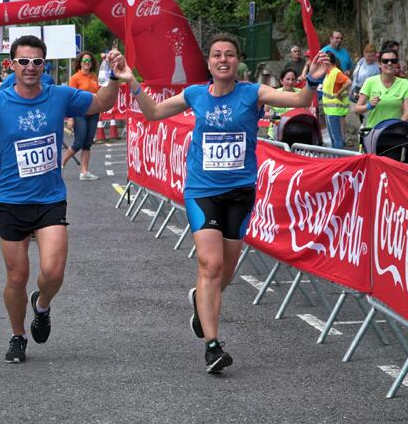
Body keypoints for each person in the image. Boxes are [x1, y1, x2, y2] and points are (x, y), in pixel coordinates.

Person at [120, 33, 328, 373]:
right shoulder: (195, 94)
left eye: (229, 55)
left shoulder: (253, 93)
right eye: (216, 55)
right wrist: (132, 82)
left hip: (240, 192)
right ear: (209, 62)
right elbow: (154, 113)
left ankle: (200, 302)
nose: (222, 60)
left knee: (224, 272)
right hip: (202, 191)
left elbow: (300, 98)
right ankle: (213, 346)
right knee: (211, 265)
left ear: (238, 61)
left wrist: (315, 80)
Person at [0, 35, 124, 363]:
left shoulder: (60, 95)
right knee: (17, 277)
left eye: (36, 62)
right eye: (23, 61)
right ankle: (17, 335)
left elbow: (101, 104)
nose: (30, 68)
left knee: (53, 272)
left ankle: (41, 305)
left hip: (50, 199)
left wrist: (111, 74)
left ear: (45, 65)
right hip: (11, 201)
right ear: (12, 64)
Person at [61, 51, 101, 180]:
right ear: (80, 63)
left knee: (87, 143)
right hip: (80, 114)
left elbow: (99, 94)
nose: (87, 63)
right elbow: (69, 99)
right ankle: (60, 164)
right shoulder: (75, 78)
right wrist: (70, 118)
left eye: (89, 61)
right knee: (79, 142)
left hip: (94, 114)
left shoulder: (95, 77)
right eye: (84, 61)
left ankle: (84, 172)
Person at [353, 48, 408, 129]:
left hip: (395, 132)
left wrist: (396, 126)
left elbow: (407, 112)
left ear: (396, 64)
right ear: (379, 64)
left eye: (393, 61)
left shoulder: (404, 83)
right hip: (374, 132)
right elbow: (357, 110)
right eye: (385, 61)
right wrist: (368, 105)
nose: (389, 63)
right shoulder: (370, 82)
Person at [321, 50, 350, 148]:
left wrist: (338, 92)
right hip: (329, 110)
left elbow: (348, 82)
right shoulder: (329, 73)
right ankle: (335, 159)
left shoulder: (335, 72)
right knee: (333, 138)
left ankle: (338, 160)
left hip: (335, 111)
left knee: (337, 138)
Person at [267, 68, 299, 140]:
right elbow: (264, 112)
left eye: (293, 79)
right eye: (287, 79)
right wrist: (278, 117)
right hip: (275, 132)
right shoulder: (273, 94)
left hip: (295, 131)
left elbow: (306, 112)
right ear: (281, 81)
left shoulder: (301, 94)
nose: (290, 82)